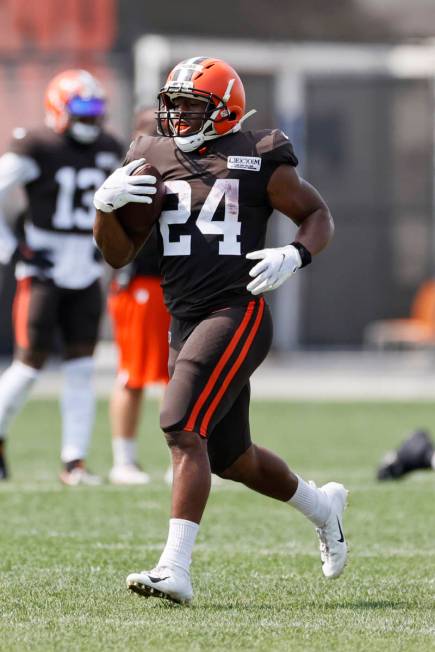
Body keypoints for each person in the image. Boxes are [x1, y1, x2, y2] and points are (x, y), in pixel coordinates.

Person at [93, 56, 348, 604]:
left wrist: (295, 254)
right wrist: (104, 211)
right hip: (184, 317)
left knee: (181, 425)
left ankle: (174, 569)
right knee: (233, 458)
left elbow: (317, 214)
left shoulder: (258, 156)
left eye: (190, 108)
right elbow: (117, 256)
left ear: (225, 110)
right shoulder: (150, 156)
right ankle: (323, 507)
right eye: (173, 107)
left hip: (237, 309)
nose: (177, 119)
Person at [0, 69, 123, 485]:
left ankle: (75, 461)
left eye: (96, 110)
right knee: (29, 364)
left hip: (87, 267)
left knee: (81, 368)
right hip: (44, 268)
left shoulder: (109, 147)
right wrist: (11, 247)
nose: (90, 120)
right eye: (81, 110)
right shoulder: (35, 145)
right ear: (58, 110)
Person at [108, 107, 170, 485]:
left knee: (176, 376)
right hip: (142, 284)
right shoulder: (128, 173)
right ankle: (123, 459)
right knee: (135, 374)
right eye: (152, 131)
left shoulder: (180, 168)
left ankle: (178, 458)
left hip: (174, 282)